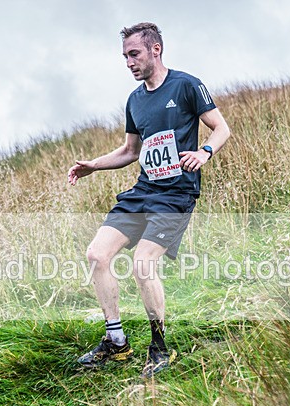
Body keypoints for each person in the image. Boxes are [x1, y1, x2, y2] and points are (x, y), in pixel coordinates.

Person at [67, 22, 231, 377]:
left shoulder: (186, 85)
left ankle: (159, 347)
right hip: (143, 191)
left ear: (156, 49)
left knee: (143, 264)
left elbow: (221, 128)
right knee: (97, 255)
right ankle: (116, 342)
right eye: (125, 56)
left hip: (176, 194)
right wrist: (94, 165)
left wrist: (203, 153)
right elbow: (130, 151)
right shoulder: (135, 100)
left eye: (134, 54)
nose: (129, 62)